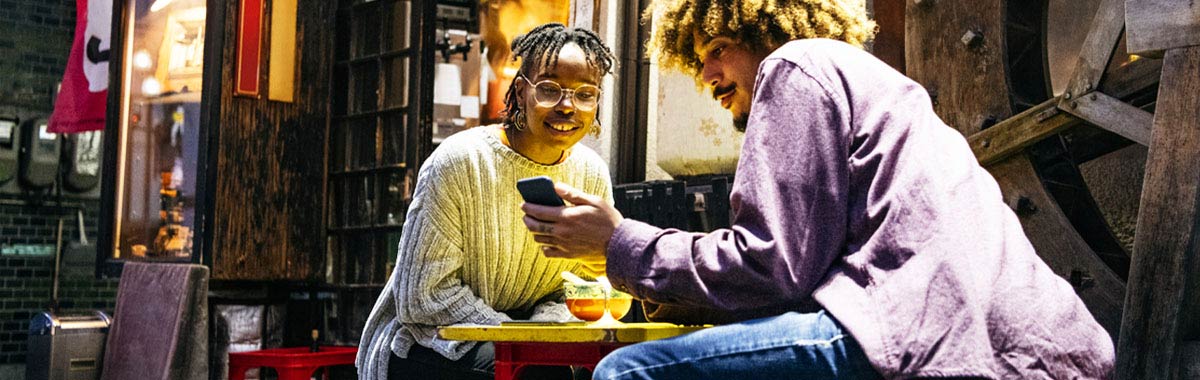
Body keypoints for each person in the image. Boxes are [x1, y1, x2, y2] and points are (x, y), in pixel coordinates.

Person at [520, 1, 1115, 379]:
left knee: (625, 372)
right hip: (1041, 349)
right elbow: (803, 270)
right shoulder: (872, 83)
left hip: (916, 337)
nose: (706, 77)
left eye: (717, 51)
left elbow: (772, 263)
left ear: (763, 25)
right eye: (699, 60)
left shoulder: (794, 67)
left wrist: (618, 242)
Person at [357, 23, 616, 380]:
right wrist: (517, 337)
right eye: (550, 89)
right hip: (428, 340)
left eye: (585, 94)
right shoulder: (460, 161)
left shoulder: (592, 173)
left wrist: (538, 334)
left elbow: (589, 285)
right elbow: (423, 297)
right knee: (540, 375)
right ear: (522, 91)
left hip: (523, 339)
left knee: (608, 368)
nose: (568, 106)